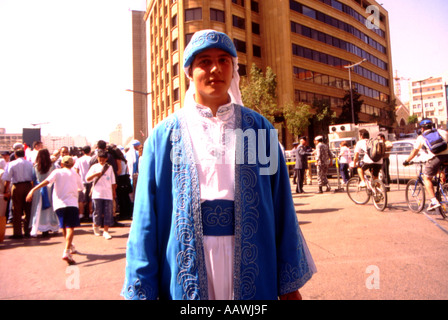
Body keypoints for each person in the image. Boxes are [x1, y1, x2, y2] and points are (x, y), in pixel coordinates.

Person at [122, 29, 316, 300]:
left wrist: (289, 285)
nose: (215, 68)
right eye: (205, 62)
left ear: (233, 69)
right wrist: (141, 289)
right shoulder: (164, 135)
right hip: (185, 263)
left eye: (224, 60)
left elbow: (282, 207)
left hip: (253, 260)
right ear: (190, 71)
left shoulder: (258, 130)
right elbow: (145, 218)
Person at [26, 156, 83, 265]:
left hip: (59, 204)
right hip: (71, 203)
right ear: (72, 165)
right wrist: (74, 190)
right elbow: (81, 188)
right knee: (70, 227)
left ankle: (70, 246)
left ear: (62, 164)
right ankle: (66, 251)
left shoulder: (57, 172)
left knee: (64, 226)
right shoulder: (75, 174)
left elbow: (46, 182)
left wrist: (33, 189)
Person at [404, 119, 448, 211]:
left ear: (422, 128)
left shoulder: (421, 137)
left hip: (435, 158)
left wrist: (407, 161)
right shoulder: (441, 131)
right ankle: (444, 188)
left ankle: (433, 201)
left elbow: (414, 151)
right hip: (447, 156)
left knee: (426, 178)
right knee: (441, 170)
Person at [3, 148, 34, 238]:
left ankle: (17, 233)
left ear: (15, 155)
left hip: (17, 186)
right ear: (24, 154)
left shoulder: (11, 164)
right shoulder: (30, 164)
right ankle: (28, 231)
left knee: (16, 209)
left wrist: (6, 190)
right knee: (28, 209)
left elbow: (7, 179)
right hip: (28, 186)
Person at [86, 149, 116, 240]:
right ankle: (96, 226)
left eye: (103, 159)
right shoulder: (94, 167)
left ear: (106, 159)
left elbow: (113, 181)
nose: (101, 160)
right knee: (97, 211)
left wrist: (113, 192)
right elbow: (87, 179)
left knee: (108, 212)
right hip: (97, 193)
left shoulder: (109, 167)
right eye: (100, 158)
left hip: (107, 194)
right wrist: (95, 174)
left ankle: (106, 231)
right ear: (97, 158)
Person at [29, 149, 59, 237]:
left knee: (38, 209)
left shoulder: (36, 166)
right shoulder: (52, 166)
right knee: (50, 208)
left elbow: (33, 178)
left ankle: (39, 227)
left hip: (38, 189)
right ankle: (51, 226)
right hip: (50, 188)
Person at [74, 145, 93, 221]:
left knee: (81, 199)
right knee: (90, 199)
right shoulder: (92, 159)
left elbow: (76, 171)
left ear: (82, 151)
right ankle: (91, 214)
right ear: (90, 151)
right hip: (91, 180)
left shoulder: (79, 160)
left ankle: (81, 214)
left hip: (82, 181)